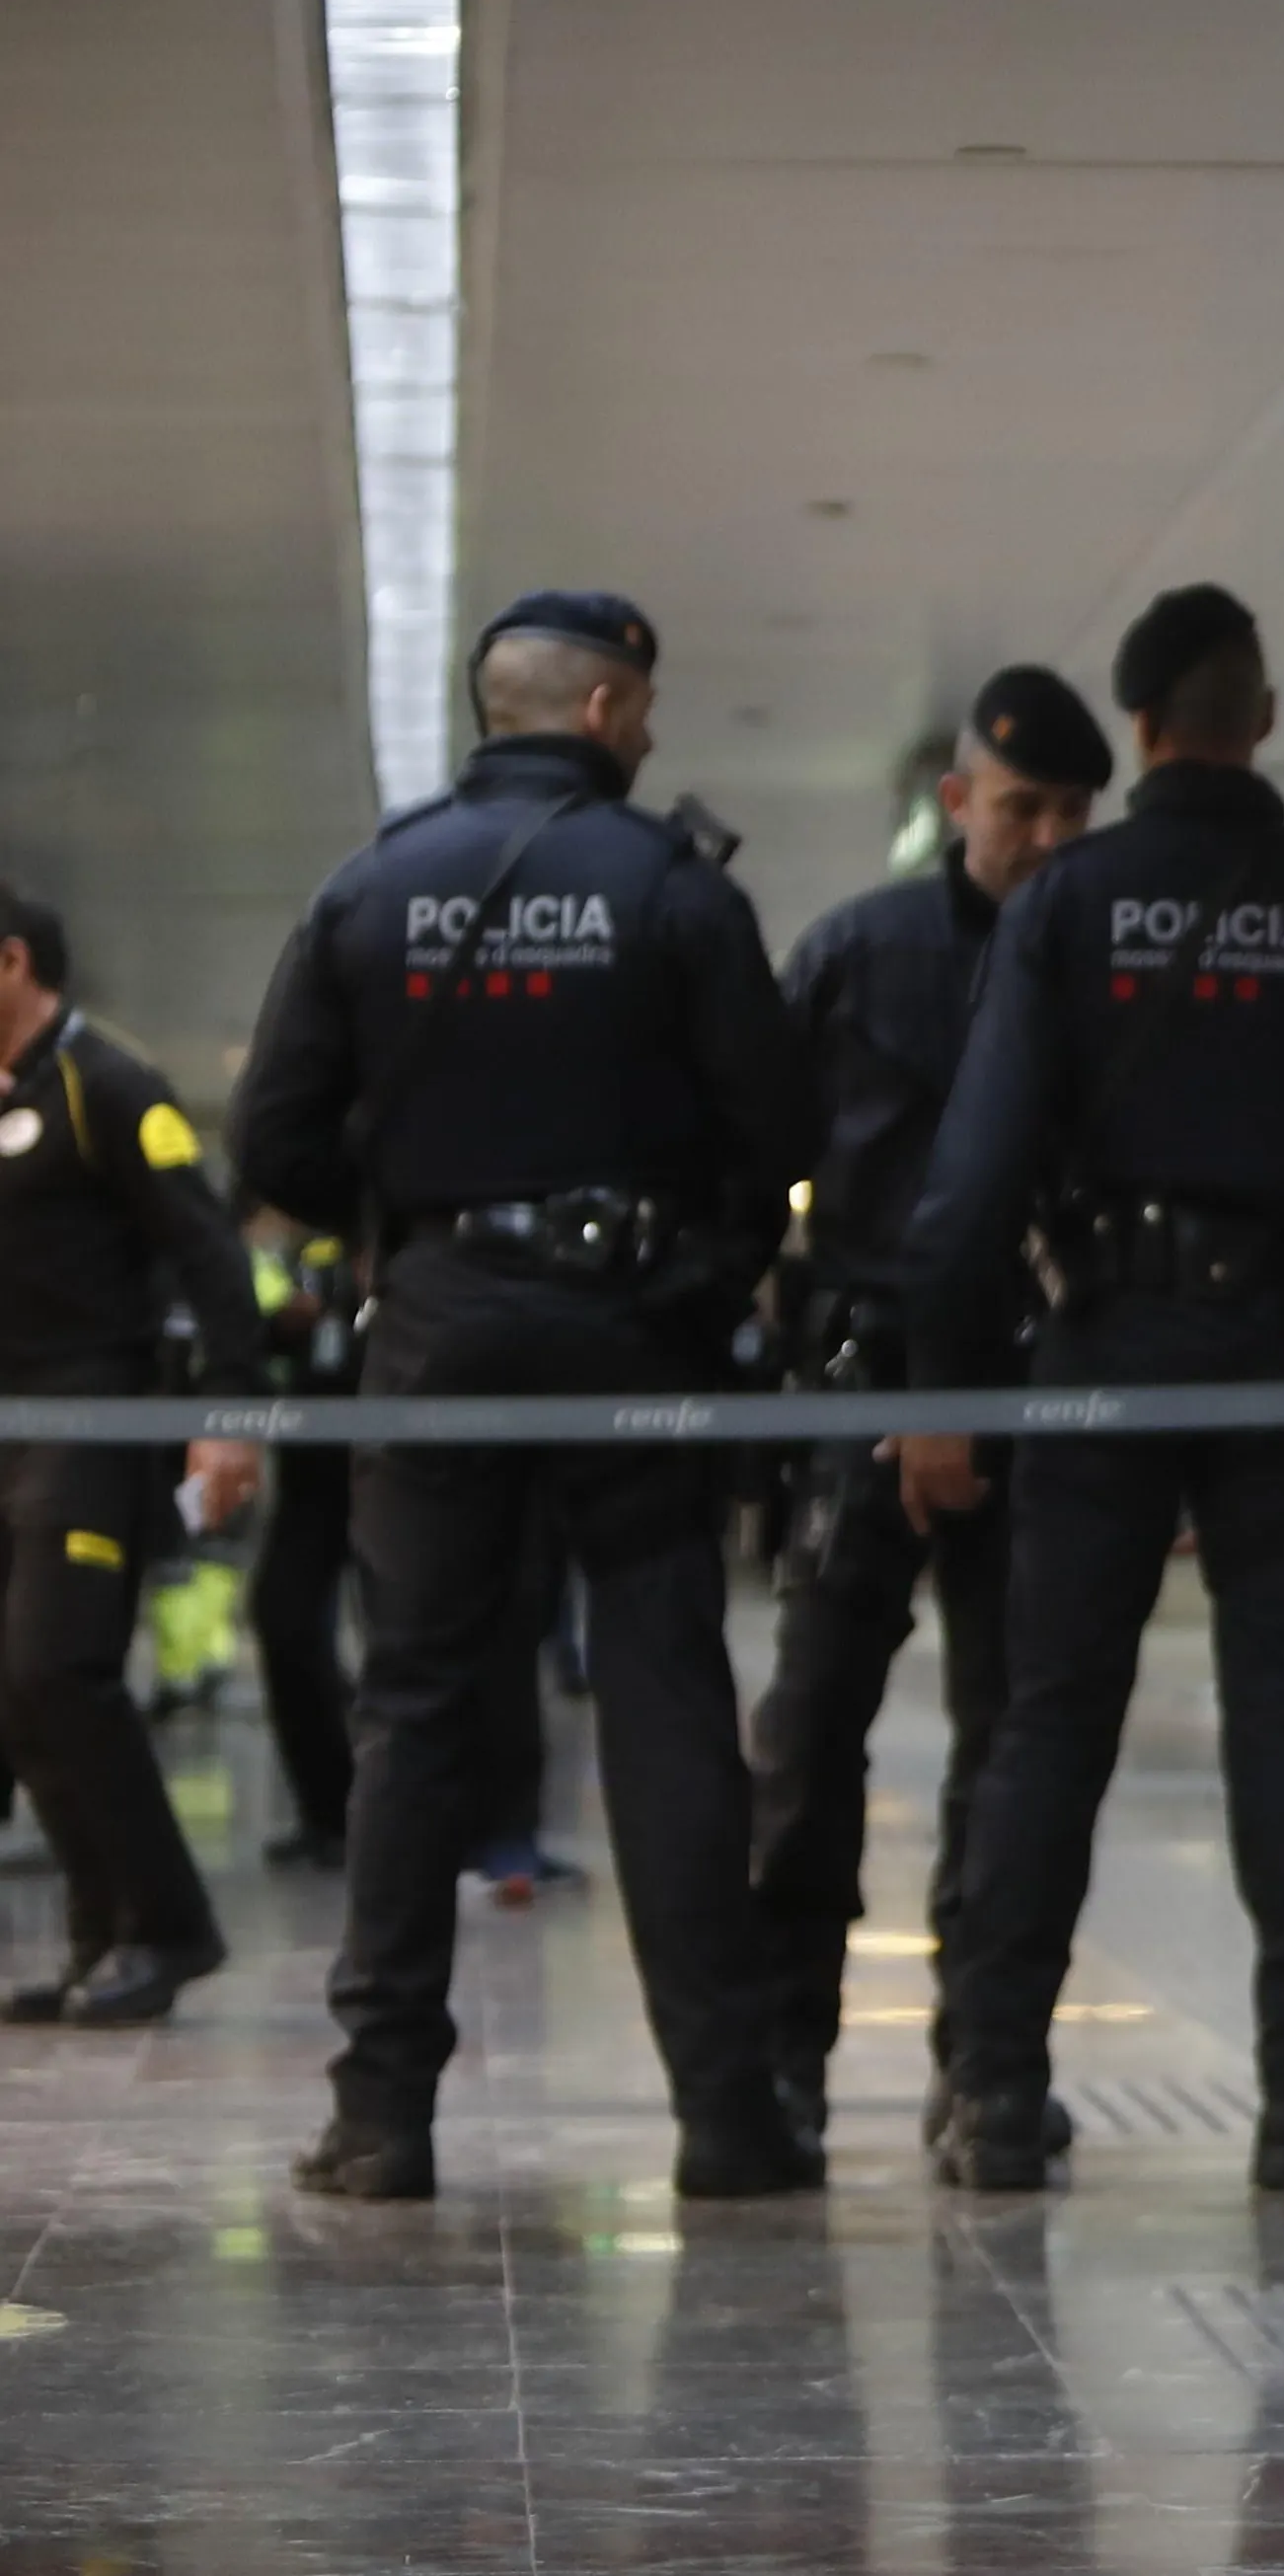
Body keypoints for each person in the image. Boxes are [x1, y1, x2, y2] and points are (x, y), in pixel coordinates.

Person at [232, 590, 820, 2201]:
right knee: (663, 1694)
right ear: (610, 706)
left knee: (414, 1700)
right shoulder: (673, 890)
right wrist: (694, 1275)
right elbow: (774, 1128)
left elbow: (270, 1141)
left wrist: (401, 1235)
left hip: (435, 1328)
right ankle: (723, 2114)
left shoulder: (372, 880)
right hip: (628, 1323)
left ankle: (381, 2114)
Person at [901, 586, 1284, 2195]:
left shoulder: (1070, 901)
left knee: (1047, 1717)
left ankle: (1001, 2092)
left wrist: (945, 1374)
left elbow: (974, 1173)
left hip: (1101, 1358)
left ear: (1139, 728)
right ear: (1261, 718)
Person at [740, 666, 1110, 2152]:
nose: (1048, 835)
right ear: (955, 801)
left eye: (1075, 811)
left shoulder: (1099, 957)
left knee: (1016, 1736)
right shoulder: (856, 954)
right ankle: (783, 2061)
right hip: (864, 1375)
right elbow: (755, 1145)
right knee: (815, 1726)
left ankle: (991, 2065)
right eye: (1022, 807)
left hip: (1037, 1381)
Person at [0, 880, 269, 2024]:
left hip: (96, 1421)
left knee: (61, 1670)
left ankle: (167, 1927)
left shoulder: (106, 1084)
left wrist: (231, 1414)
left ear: (11, 963)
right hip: (10, 1430)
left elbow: (210, 1257)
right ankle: (98, 1936)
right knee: (16, 1692)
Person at [243, 1219, 364, 1870]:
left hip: (396, 1467)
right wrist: (284, 1327)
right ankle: (328, 1810)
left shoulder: (410, 1229)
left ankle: (432, 1822)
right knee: (282, 1620)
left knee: (412, 1646)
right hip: (311, 1473)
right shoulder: (304, 1254)